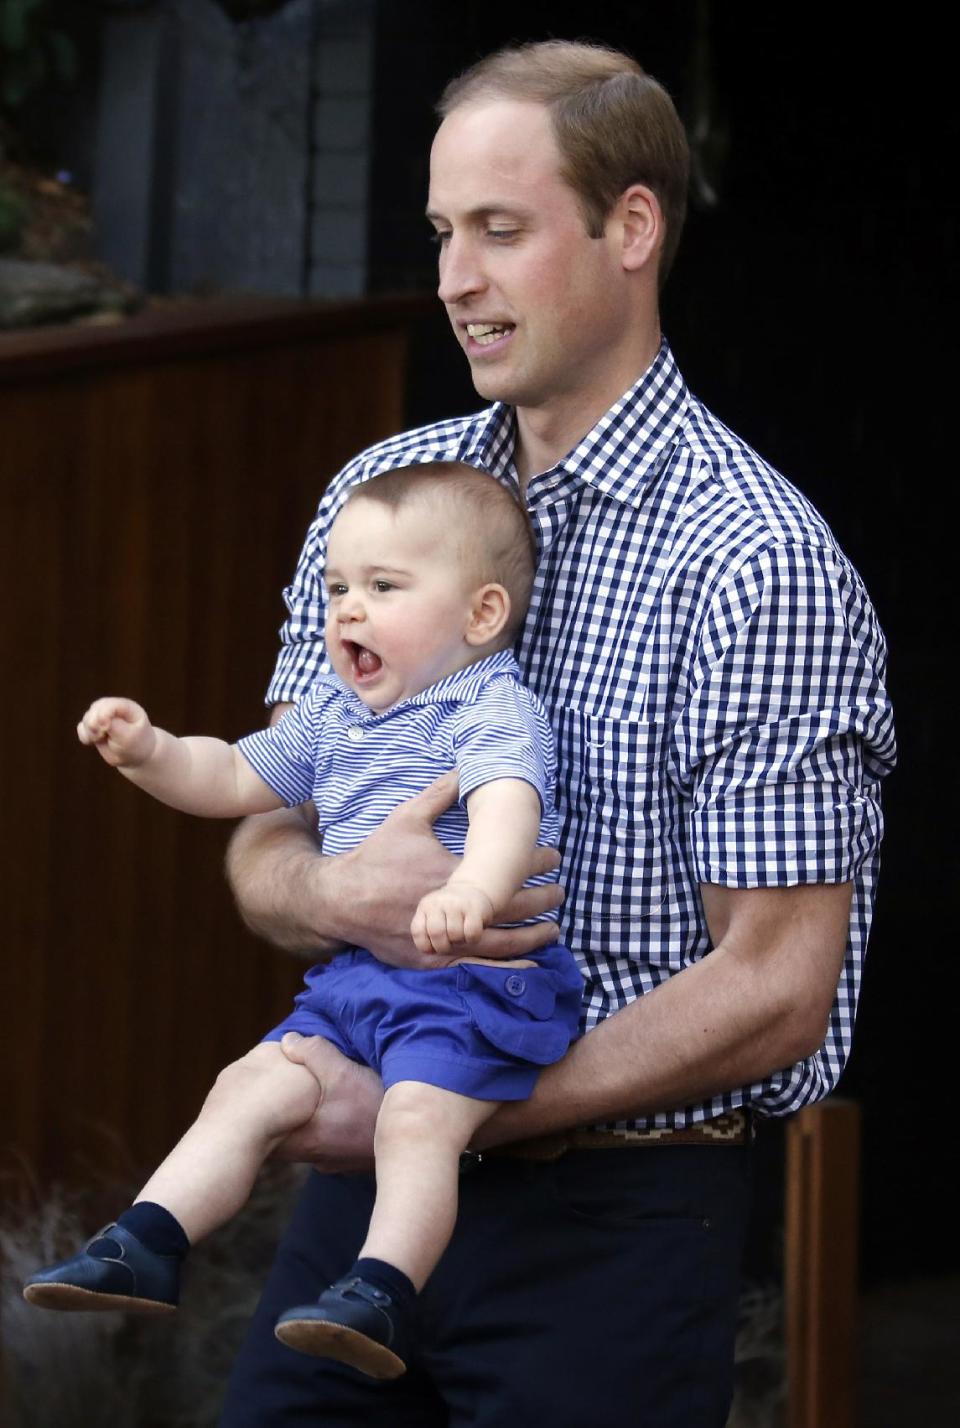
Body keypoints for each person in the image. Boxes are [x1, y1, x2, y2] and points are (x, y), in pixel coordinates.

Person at [219, 38, 896, 1428]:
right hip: (354, 1205)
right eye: (442, 233)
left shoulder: (757, 562)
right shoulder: (378, 497)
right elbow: (262, 830)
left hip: (615, 1226)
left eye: (501, 231)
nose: (456, 278)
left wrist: (458, 1109)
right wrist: (322, 885)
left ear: (632, 227)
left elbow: (780, 983)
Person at [23, 463, 583, 1379]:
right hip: (362, 980)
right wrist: (150, 751)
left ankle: (383, 1287)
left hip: (474, 982)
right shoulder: (332, 712)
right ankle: (145, 1242)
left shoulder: (490, 705)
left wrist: (471, 896)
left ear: (482, 617)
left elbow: (507, 814)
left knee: (414, 1120)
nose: (348, 611)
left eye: (383, 588)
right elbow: (237, 778)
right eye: (336, 588)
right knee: (250, 1084)